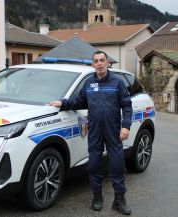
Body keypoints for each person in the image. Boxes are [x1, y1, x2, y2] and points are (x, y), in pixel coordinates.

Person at [49, 51, 133, 215]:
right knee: (94, 165)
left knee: (117, 165)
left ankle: (119, 200)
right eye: (96, 61)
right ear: (93, 65)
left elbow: (127, 105)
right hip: (94, 130)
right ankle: (97, 197)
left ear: (107, 63)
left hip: (113, 130)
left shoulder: (117, 82)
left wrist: (126, 126)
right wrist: (62, 103)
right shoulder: (89, 83)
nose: (100, 63)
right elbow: (80, 101)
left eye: (102, 60)